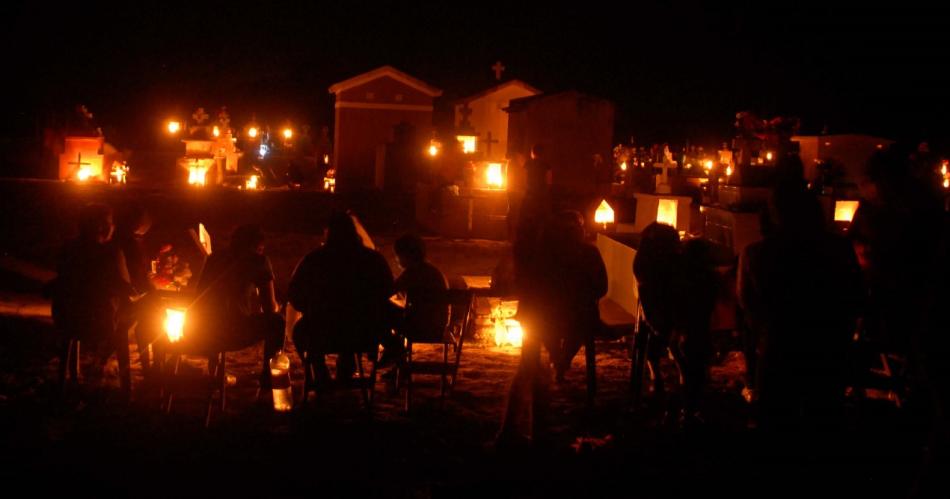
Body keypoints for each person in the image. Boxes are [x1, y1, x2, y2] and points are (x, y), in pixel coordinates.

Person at [739, 186, 863, 433]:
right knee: (822, 422)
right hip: (828, 351)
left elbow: (748, 307)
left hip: (778, 349)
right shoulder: (838, 249)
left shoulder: (756, 254)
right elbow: (855, 297)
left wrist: (760, 343)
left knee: (777, 425)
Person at [288, 212, 394, 383]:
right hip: (364, 333)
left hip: (320, 332)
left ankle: (319, 369)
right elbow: (389, 292)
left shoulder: (314, 260)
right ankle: (346, 364)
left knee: (299, 331)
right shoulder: (373, 259)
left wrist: (311, 308)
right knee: (351, 323)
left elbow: (294, 295)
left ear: (327, 232)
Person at [184, 224, 285, 391]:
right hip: (231, 333)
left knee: (216, 315)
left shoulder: (214, 258)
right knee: (277, 322)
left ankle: (214, 372)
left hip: (197, 331)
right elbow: (269, 307)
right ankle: (268, 379)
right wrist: (278, 306)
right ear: (257, 246)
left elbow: (203, 298)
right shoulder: (258, 260)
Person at [49, 203, 135, 393]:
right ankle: (116, 367)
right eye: (110, 223)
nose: (113, 227)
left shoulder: (68, 249)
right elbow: (125, 288)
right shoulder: (112, 253)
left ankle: (73, 373)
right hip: (102, 323)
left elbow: (61, 280)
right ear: (102, 226)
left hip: (68, 321)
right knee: (139, 310)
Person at [113, 202, 162, 384]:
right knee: (156, 313)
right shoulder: (128, 242)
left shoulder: (115, 240)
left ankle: (153, 369)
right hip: (117, 307)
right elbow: (138, 279)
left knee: (152, 308)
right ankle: (155, 369)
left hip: (108, 303)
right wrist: (152, 289)